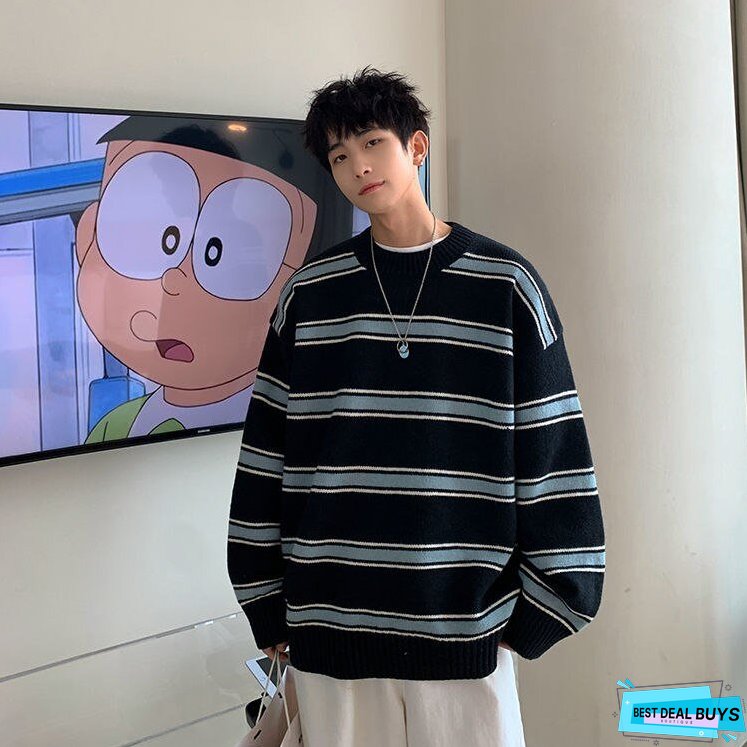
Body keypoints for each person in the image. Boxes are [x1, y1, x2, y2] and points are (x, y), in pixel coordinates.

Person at [226, 66, 606, 746]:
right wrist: (263, 599)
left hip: (464, 642)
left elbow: (552, 448)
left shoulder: (505, 285)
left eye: (373, 143)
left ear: (417, 148)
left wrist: (544, 608)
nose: (358, 167)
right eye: (339, 156)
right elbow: (266, 455)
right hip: (330, 637)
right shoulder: (310, 295)